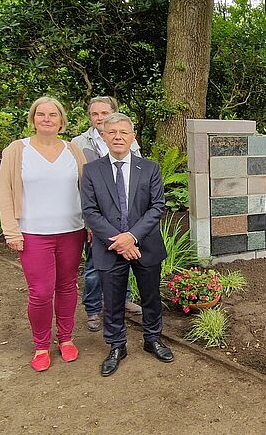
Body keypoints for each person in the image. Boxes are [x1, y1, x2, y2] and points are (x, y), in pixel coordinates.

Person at [0, 96, 87, 372]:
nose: (46, 119)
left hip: (72, 231)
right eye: (41, 114)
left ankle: (66, 338)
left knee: (67, 286)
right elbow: (5, 193)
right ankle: (41, 345)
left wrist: (92, 227)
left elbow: (87, 191)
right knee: (40, 292)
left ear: (62, 121)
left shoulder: (73, 151)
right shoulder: (17, 150)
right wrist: (11, 231)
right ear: (33, 119)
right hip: (33, 233)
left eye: (52, 114)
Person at [81, 113, 173, 377]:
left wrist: (131, 237)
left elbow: (157, 207)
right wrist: (119, 241)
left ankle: (152, 339)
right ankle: (116, 345)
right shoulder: (92, 171)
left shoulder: (150, 168)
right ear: (104, 136)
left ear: (133, 137)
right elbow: (90, 211)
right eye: (112, 133)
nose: (118, 137)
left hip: (145, 245)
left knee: (151, 296)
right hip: (109, 247)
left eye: (123, 132)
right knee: (112, 300)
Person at [71, 96, 143, 332]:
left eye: (104, 113)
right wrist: (91, 225)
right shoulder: (79, 144)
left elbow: (139, 177)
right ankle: (93, 309)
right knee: (95, 266)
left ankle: (123, 301)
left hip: (128, 217)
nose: (99, 118)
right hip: (99, 220)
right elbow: (78, 184)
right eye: (94, 114)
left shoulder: (127, 138)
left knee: (126, 259)